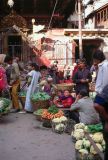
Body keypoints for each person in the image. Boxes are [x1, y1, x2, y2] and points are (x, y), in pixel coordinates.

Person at [94, 49, 108, 160]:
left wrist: (100, 93)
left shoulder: (105, 65)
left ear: (97, 59)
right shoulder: (101, 65)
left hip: (104, 96)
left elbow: (105, 82)